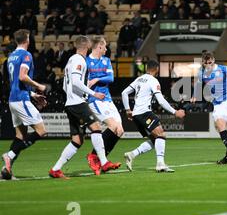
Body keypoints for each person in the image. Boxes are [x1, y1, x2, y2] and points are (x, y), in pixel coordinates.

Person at [49, 36, 119, 179]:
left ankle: (56, 169)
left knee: (77, 140)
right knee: (96, 128)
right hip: (77, 103)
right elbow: (75, 82)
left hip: (71, 103)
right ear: (86, 46)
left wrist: (70, 96)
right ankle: (104, 162)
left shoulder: (70, 61)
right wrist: (92, 93)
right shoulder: (79, 60)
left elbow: (65, 84)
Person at [122, 60, 185, 172]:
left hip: (136, 114)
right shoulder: (153, 80)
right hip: (144, 112)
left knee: (155, 138)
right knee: (161, 134)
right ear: (156, 69)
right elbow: (161, 101)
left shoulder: (139, 79)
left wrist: (128, 110)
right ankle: (160, 164)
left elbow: (124, 93)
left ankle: (132, 154)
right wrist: (175, 112)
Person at [1, 30, 48, 180]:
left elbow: (15, 81)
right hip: (21, 100)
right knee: (41, 131)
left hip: (13, 99)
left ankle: (6, 170)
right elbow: (22, 76)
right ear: (27, 40)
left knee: (20, 136)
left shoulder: (11, 56)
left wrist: (33, 95)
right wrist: (38, 86)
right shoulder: (26, 55)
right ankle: (9, 155)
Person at [191, 51, 227, 164]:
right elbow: (198, 84)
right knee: (221, 127)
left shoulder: (224, 69)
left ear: (213, 60)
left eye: (210, 62)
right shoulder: (201, 73)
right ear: (202, 63)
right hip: (217, 103)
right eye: (206, 63)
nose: (208, 65)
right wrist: (194, 95)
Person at [85, 37, 124, 173]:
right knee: (113, 126)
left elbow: (111, 78)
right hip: (95, 99)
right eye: (105, 47)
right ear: (99, 47)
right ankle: (95, 157)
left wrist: (96, 78)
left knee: (120, 130)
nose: (106, 49)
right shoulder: (86, 61)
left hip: (107, 99)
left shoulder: (106, 60)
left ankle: (100, 159)